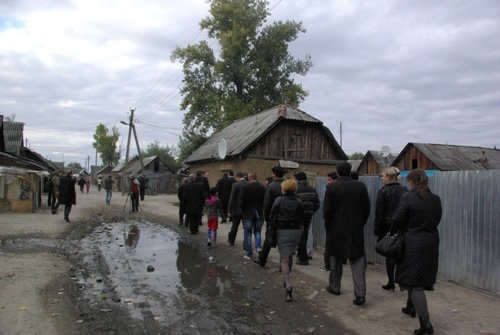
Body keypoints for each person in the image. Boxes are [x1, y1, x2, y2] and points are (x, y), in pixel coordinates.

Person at [393, 169, 442, 335]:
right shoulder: (435, 199)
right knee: (418, 278)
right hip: (431, 242)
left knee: (415, 284)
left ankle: (426, 324)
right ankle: (410, 307)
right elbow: (437, 219)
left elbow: (398, 219)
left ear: (412, 182)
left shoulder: (407, 197)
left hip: (413, 243)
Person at [323, 161, 370, 306]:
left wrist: (329, 227)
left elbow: (327, 211)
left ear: (337, 172)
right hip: (355, 229)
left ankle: (335, 287)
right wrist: (359, 223)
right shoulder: (360, 186)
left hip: (336, 229)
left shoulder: (332, 187)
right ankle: (360, 294)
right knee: (357, 261)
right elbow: (366, 208)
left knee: (336, 259)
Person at [270, 179, 304, 301]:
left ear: (284, 188)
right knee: (290, 255)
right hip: (295, 231)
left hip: (282, 230)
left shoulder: (279, 200)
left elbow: (272, 214)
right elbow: (302, 216)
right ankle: (286, 278)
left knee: (284, 258)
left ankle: (288, 285)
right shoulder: (299, 202)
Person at [374, 167, 408, 292]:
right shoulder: (404, 190)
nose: (382, 178)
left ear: (388, 177)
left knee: (390, 254)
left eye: (383, 176)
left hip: (386, 226)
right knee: (400, 252)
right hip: (401, 225)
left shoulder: (383, 191)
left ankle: (391, 281)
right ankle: (400, 280)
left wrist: (377, 229)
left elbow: (379, 212)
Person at [254, 166, 285, 267]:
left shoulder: (271, 186)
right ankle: (283, 263)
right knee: (283, 241)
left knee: (269, 239)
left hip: (273, 216)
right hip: (286, 217)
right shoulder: (288, 184)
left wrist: (267, 218)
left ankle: (262, 259)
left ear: (274, 174)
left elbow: (266, 205)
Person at [238, 172, 266, 260]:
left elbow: (241, 201)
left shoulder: (245, 187)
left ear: (249, 178)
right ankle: (258, 248)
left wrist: (243, 210)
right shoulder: (262, 188)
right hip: (259, 212)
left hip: (248, 213)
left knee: (248, 233)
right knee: (257, 232)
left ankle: (249, 253)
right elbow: (265, 201)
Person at [294, 172, 320, 266]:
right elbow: (317, 204)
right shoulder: (313, 190)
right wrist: (312, 211)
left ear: (297, 179)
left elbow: (294, 204)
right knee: (308, 233)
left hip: (299, 216)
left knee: (301, 237)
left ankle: (303, 257)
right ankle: (306, 253)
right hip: (309, 215)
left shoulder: (297, 190)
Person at [320, 172, 338, 272]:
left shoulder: (330, 189)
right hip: (343, 223)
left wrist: (326, 220)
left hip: (332, 223)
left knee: (329, 244)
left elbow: (326, 207)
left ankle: (328, 265)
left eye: (329, 180)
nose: (328, 182)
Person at [227, 171, 248, 245]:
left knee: (235, 226)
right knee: (246, 227)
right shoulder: (248, 184)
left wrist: (229, 210)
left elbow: (232, 198)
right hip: (246, 209)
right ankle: (246, 242)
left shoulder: (235, 185)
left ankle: (231, 240)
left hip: (237, 209)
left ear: (238, 177)